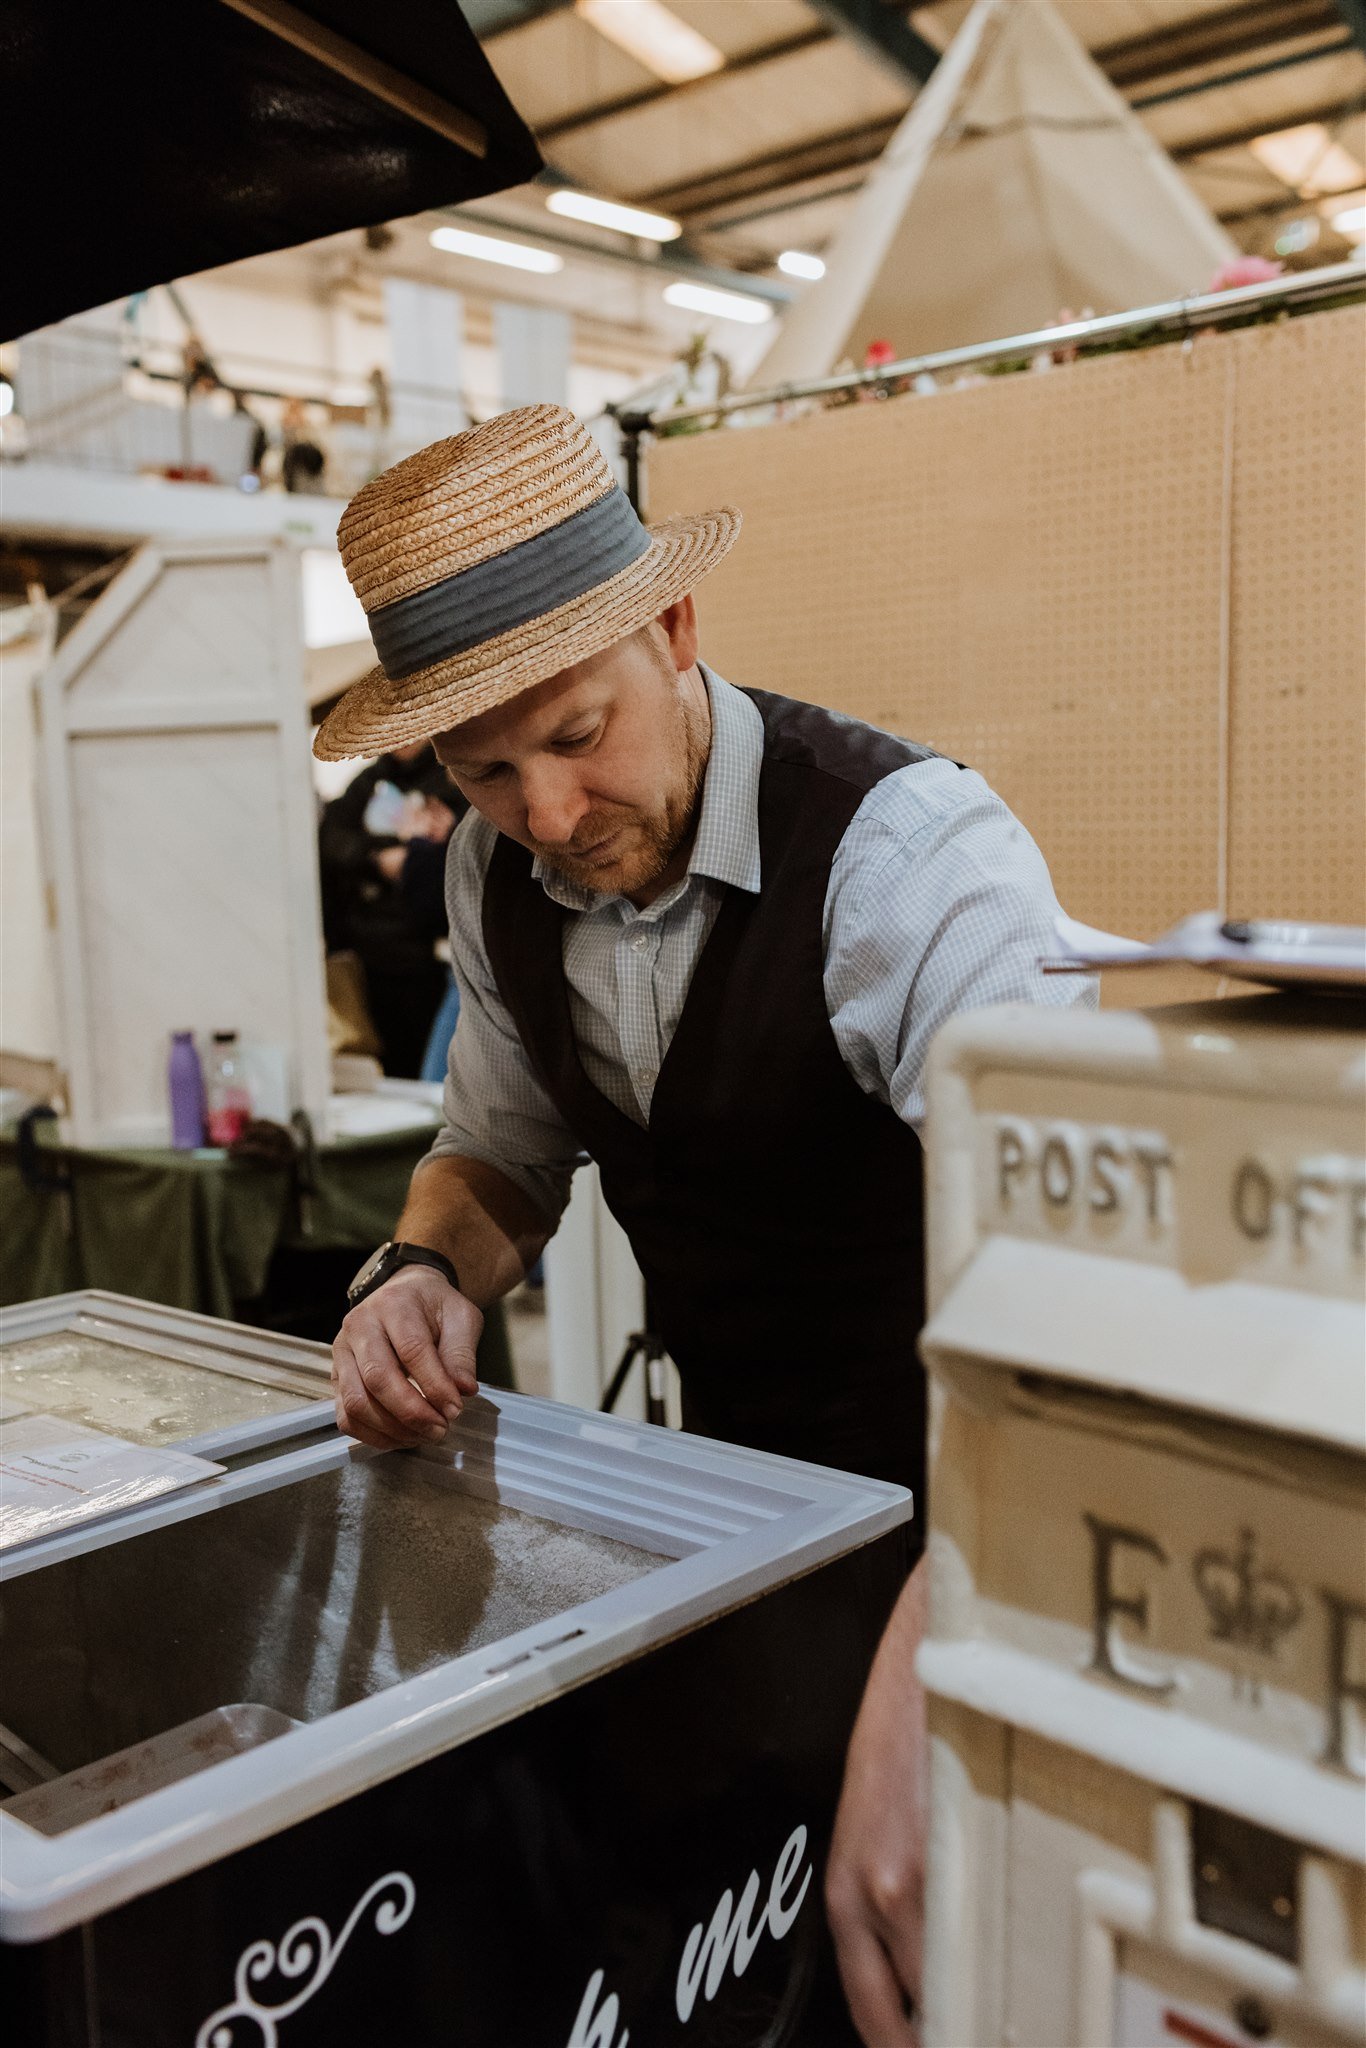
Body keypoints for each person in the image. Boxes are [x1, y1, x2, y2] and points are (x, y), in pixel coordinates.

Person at [314, 406, 1096, 2043]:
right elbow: (501, 1148)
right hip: (756, 1532)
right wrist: (421, 1265)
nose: (541, 807)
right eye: (480, 770)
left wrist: (947, 1655)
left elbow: (1080, 1291)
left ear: (674, 629)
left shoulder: (909, 863)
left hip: (993, 1530)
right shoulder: (496, 872)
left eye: (577, 731)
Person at [317, 741, 462, 1077]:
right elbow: (332, 841)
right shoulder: (368, 783)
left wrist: (421, 852)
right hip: (370, 951)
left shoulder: (452, 779)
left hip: (430, 952)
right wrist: (376, 859)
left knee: (433, 1068)